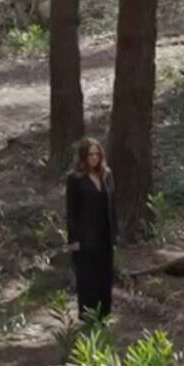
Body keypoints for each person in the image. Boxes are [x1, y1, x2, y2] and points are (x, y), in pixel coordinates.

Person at [65, 137, 118, 320]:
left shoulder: (107, 175)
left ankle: (104, 314)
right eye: (90, 154)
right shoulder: (74, 179)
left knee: (105, 276)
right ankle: (88, 317)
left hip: (105, 235)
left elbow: (112, 207)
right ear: (83, 157)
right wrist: (72, 243)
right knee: (87, 279)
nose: (94, 158)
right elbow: (71, 213)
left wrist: (115, 235)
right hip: (84, 237)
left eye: (97, 154)